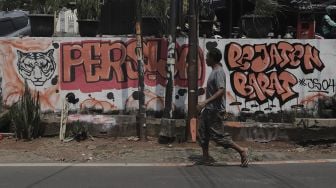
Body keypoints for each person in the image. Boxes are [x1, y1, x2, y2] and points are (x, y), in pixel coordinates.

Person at [196, 48, 249, 167]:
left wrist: (205, 102)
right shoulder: (214, 71)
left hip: (215, 110)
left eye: (207, 56)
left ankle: (242, 151)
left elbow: (221, 90)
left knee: (218, 137)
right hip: (209, 109)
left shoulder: (219, 72)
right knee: (203, 133)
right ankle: (205, 157)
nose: (205, 59)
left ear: (212, 58)